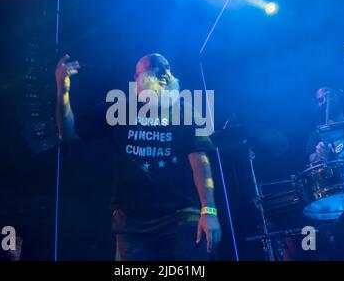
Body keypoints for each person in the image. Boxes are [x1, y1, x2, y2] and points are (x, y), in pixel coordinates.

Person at [55, 53, 221, 260]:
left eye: (167, 68)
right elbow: (68, 133)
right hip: (131, 225)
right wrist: (63, 90)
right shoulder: (118, 109)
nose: (166, 73)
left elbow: (201, 164)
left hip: (179, 216)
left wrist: (209, 212)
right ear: (137, 78)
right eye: (156, 68)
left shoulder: (186, 110)